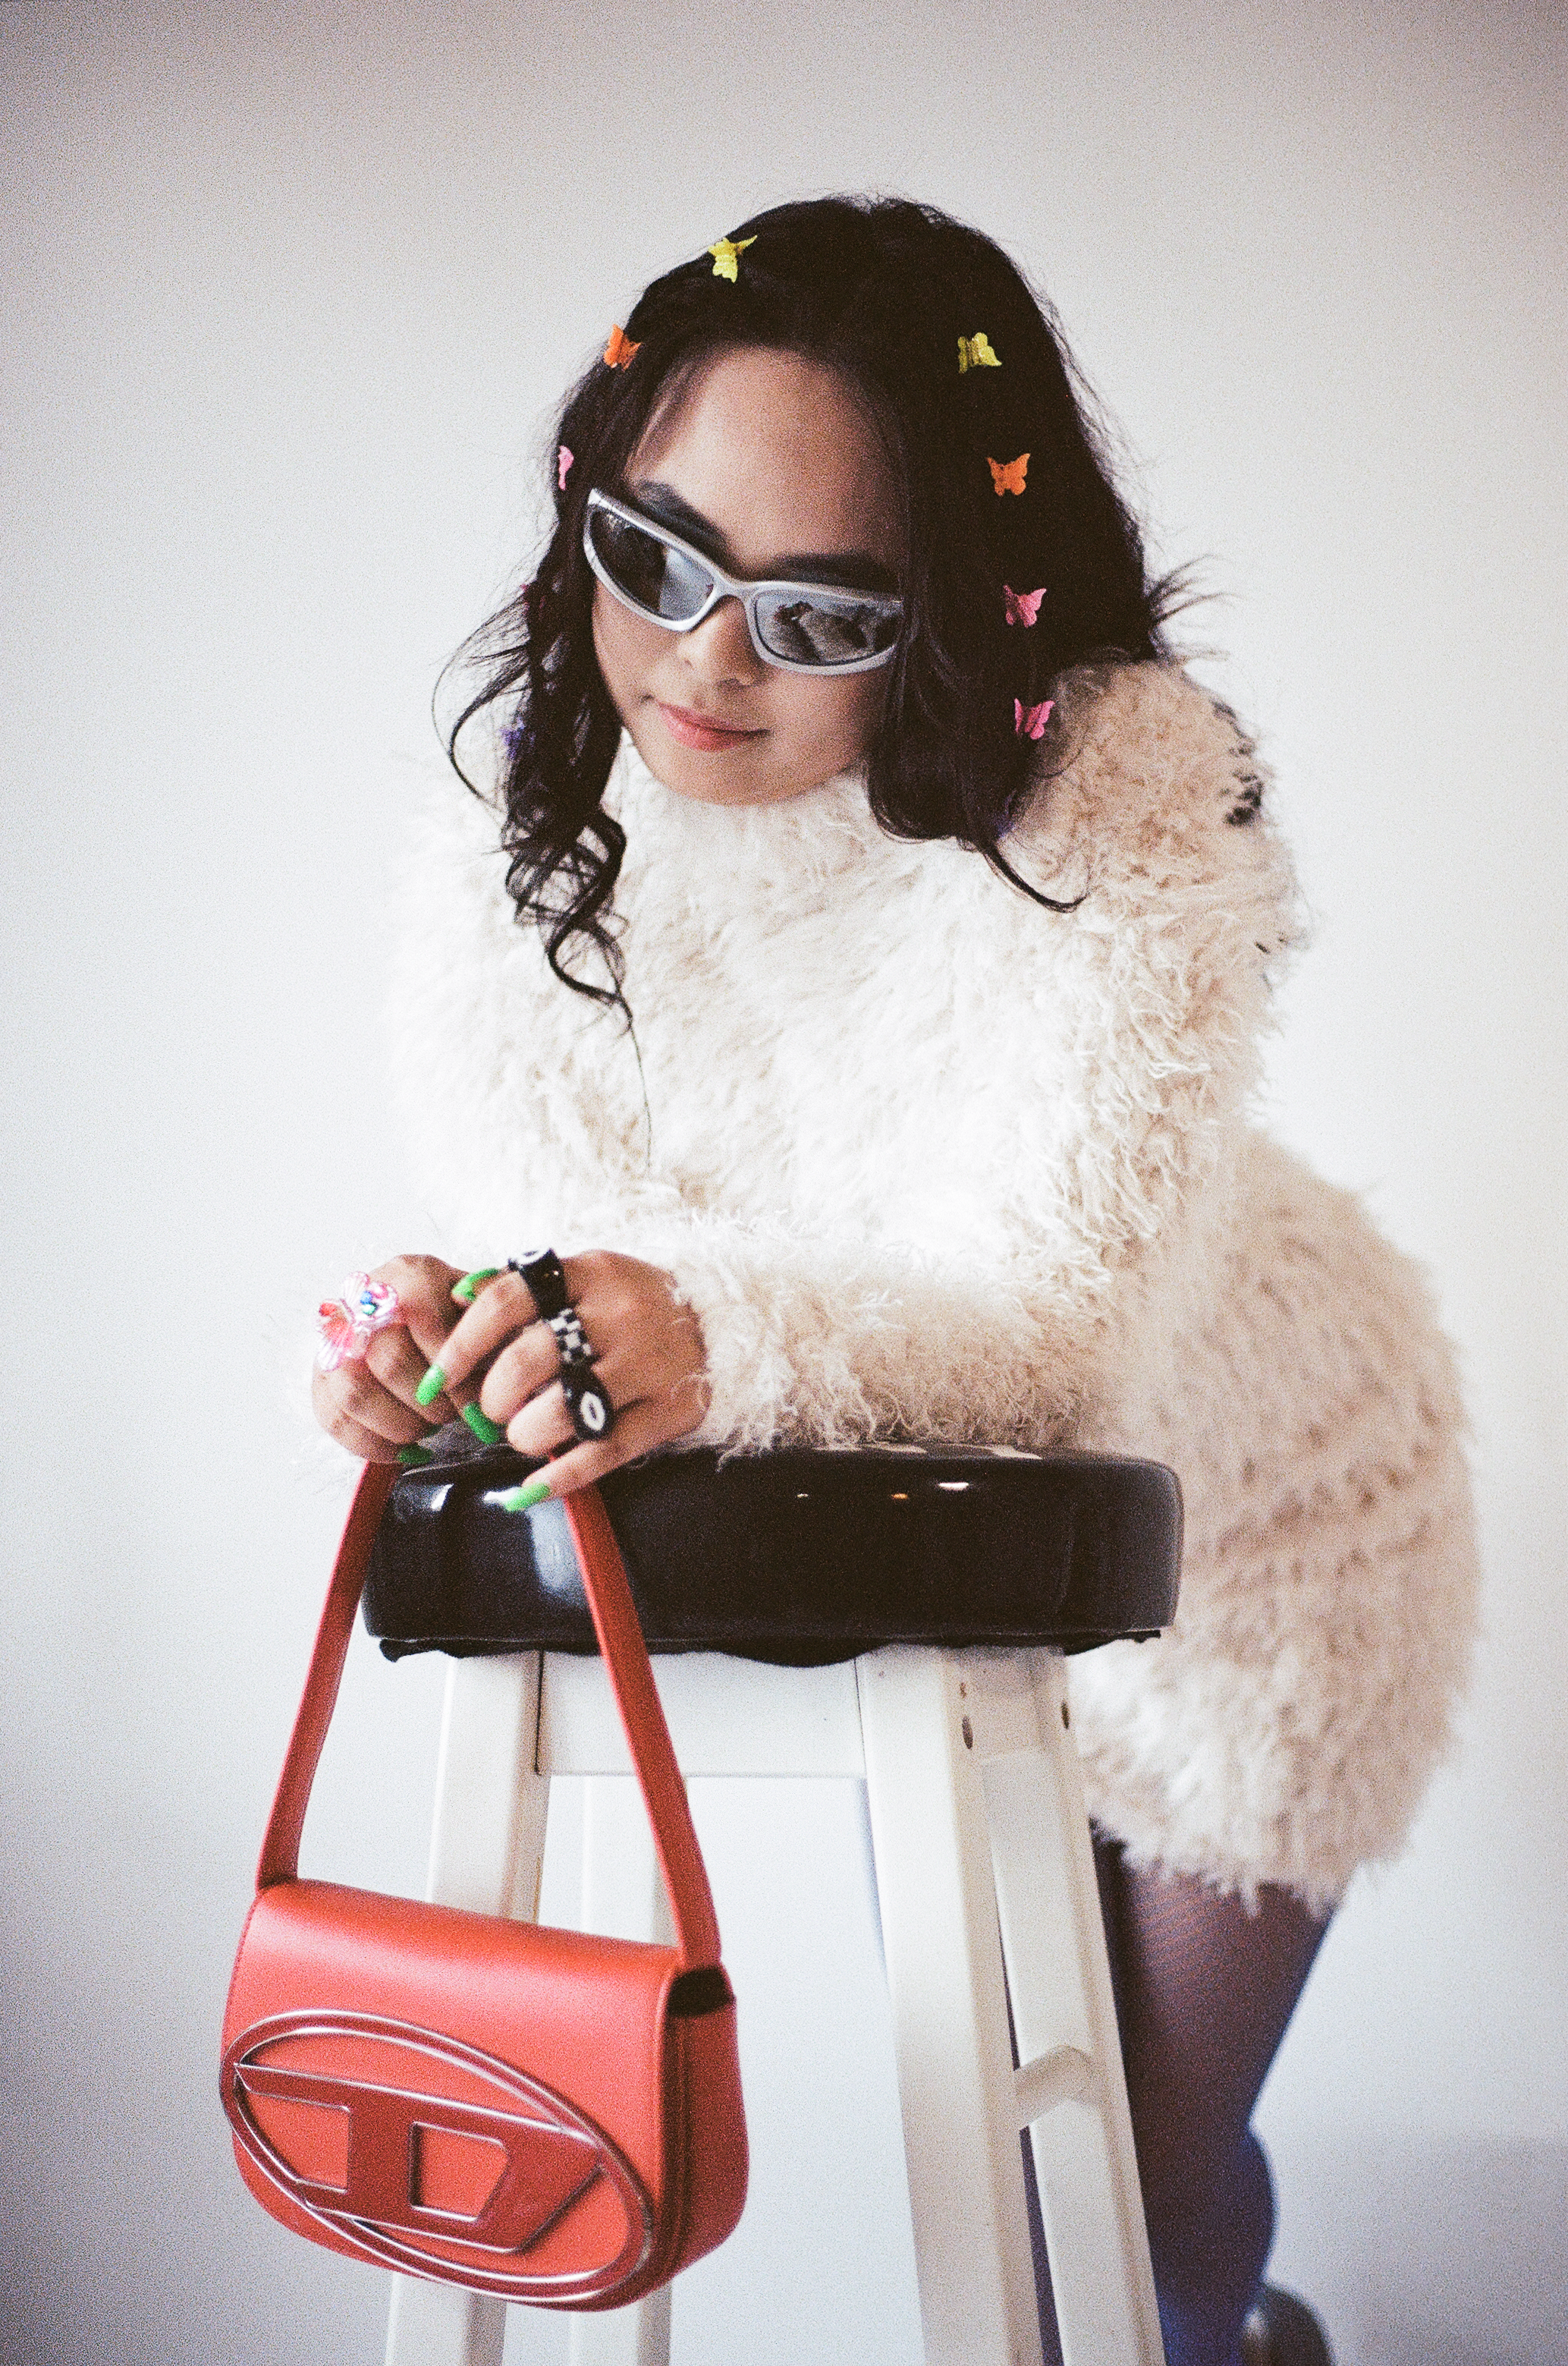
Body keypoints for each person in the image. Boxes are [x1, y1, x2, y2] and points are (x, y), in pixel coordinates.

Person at [311, 197, 1477, 2366]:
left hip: (1290, 1517)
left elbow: (1044, 1334)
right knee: (1033, 2174)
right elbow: (606, 1279)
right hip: (940, 1512)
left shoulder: (1127, 795)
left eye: (820, 611)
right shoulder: (532, 836)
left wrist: (690, 1330)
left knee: (1128, 2200)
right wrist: (461, 1348)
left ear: (958, 620)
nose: (702, 662)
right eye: (653, 553)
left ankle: (1242, 2329)